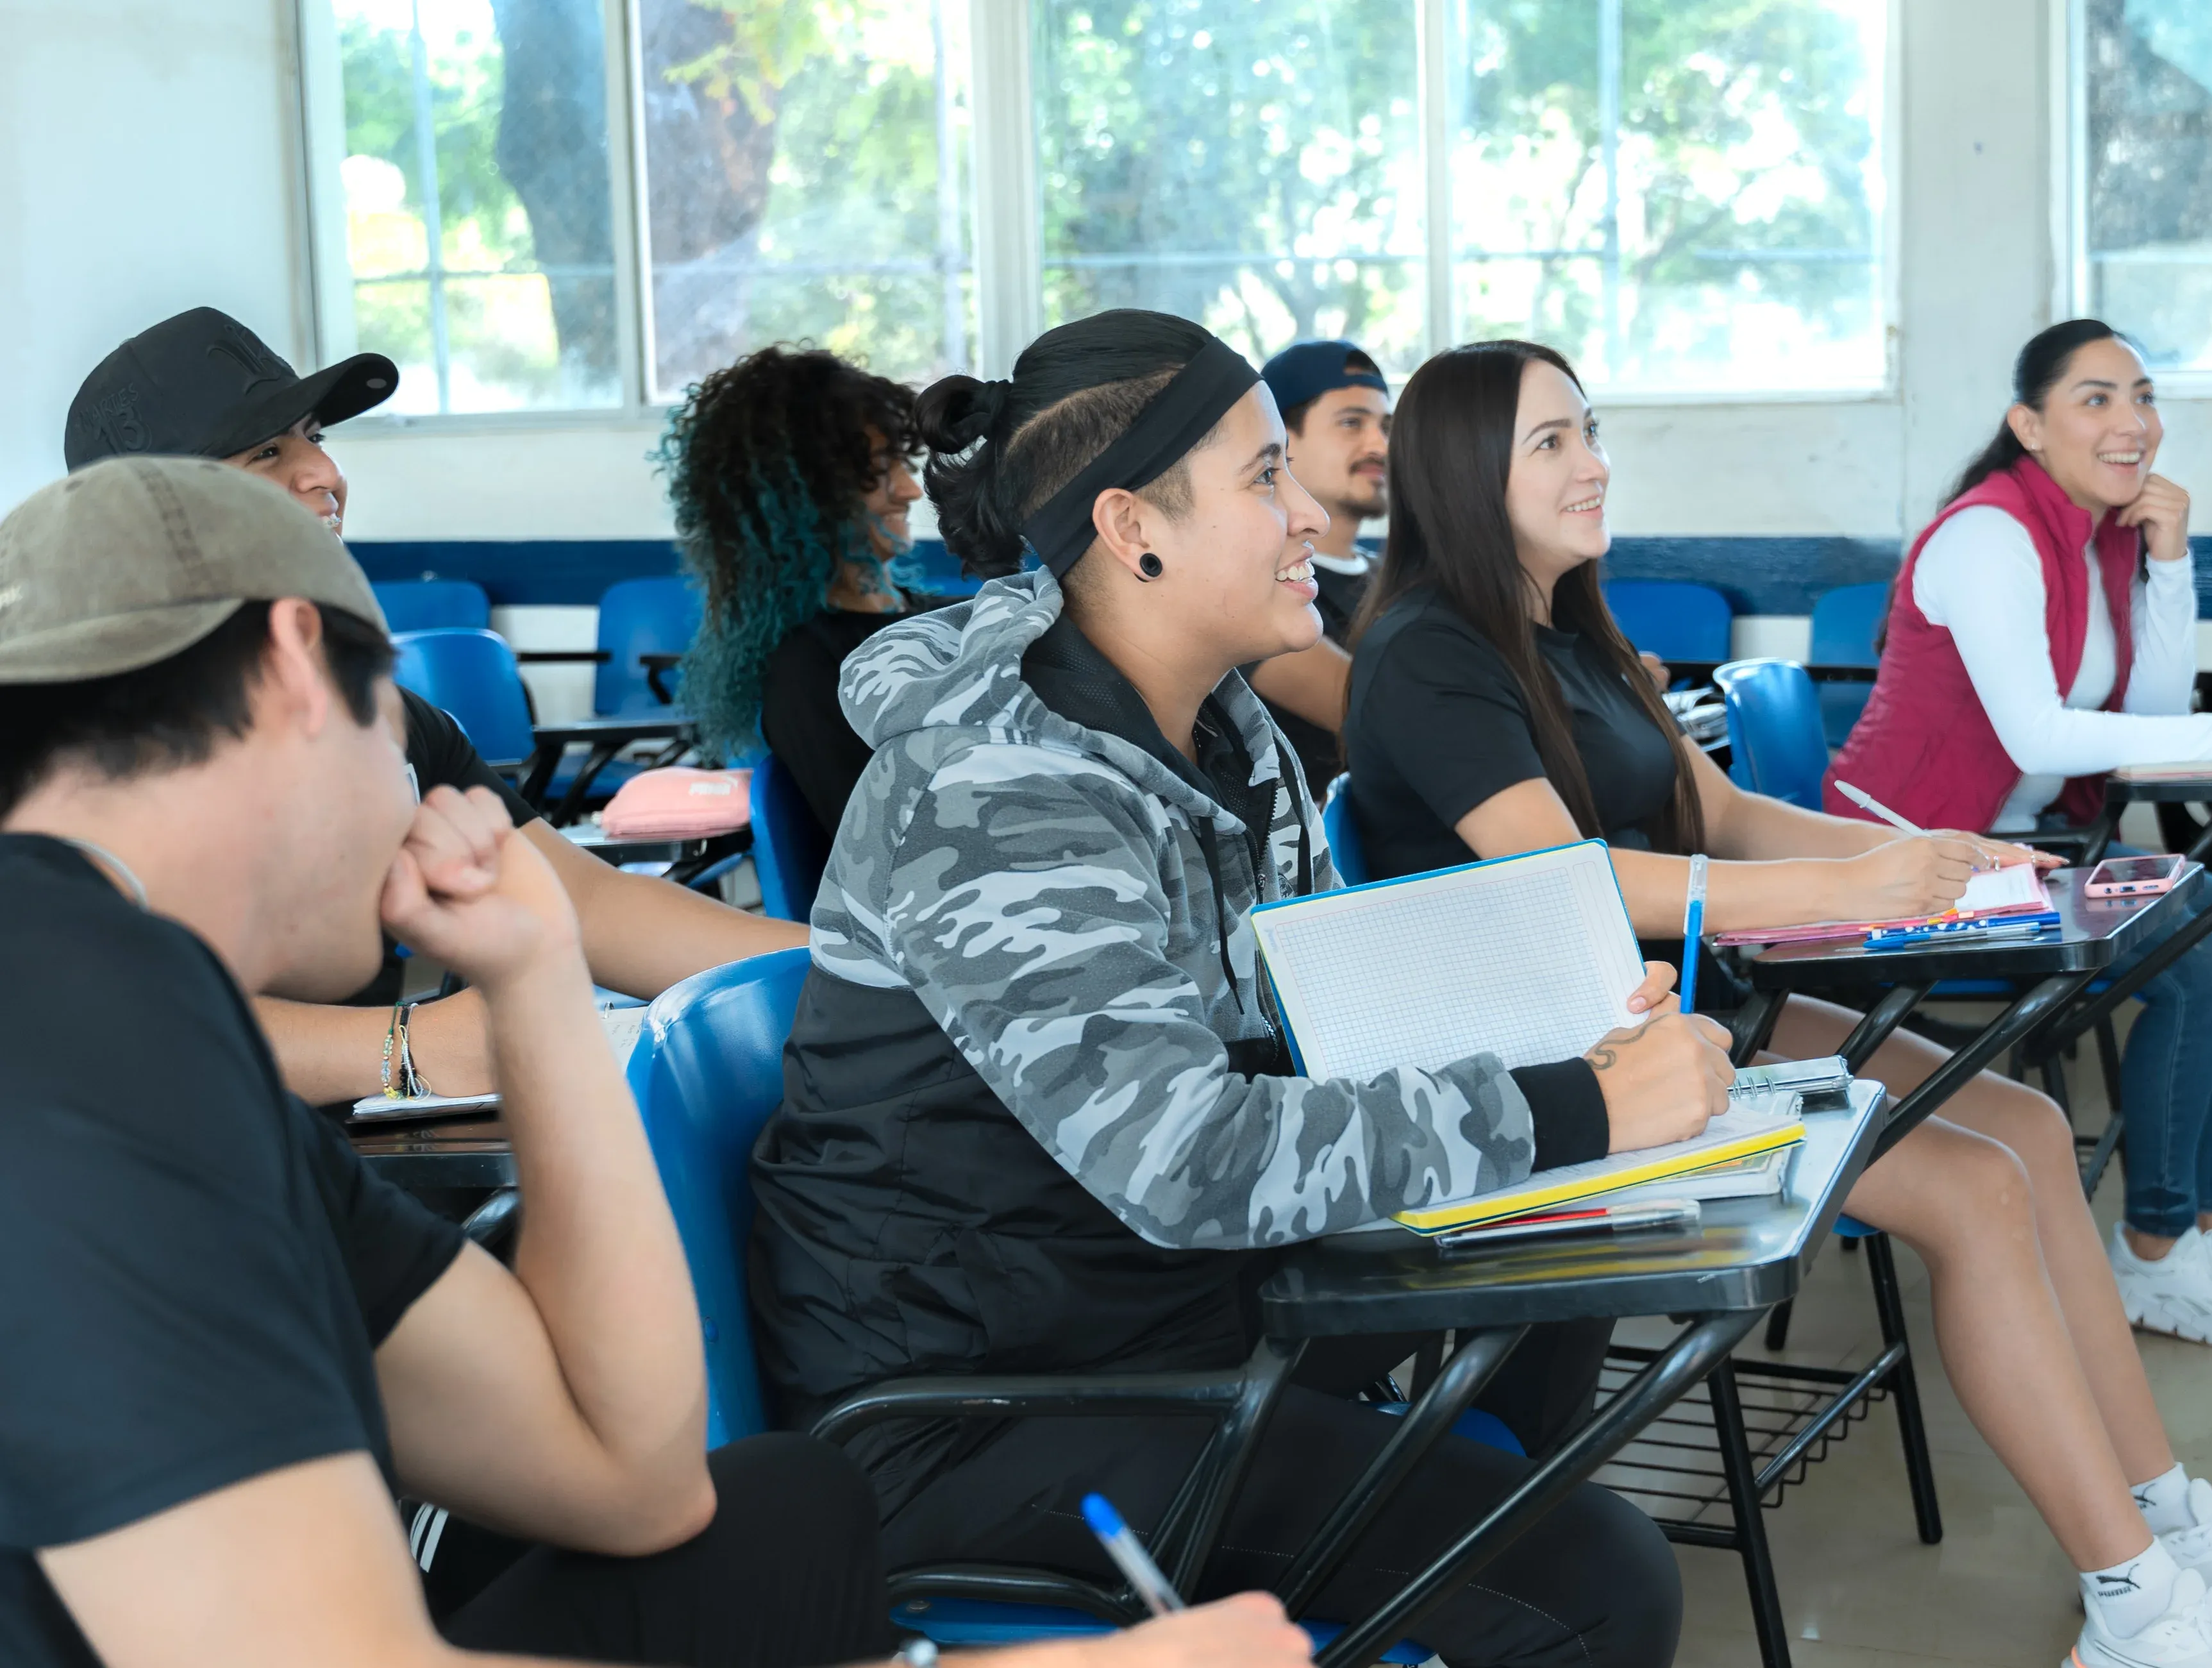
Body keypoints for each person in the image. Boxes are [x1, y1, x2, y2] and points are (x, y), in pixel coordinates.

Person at [0, 457, 1313, 1668]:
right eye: (391, 715)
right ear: (299, 663)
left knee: (771, 1520)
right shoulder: (84, 1006)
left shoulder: (116, 989)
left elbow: (630, 1475)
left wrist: (534, 986)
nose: (415, 779)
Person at [1340, 340, 2212, 1668]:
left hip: (1690, 1015)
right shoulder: (1428, 653)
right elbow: (1570, 885)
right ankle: (2132, 1599)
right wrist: (1877, 874)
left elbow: (1730, 815)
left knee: (2033, 1137)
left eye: (1590, 431)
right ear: (1459, 470)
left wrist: (1941, 852)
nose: (1594, 464)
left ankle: (2166, 1524)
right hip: (1577, 1066)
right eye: (1552, 442)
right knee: (1975, 1188)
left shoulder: (1572, 628)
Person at [750, 309, 1738, 1668]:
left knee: (1545, 1298)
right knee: (1596, 1577)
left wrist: (1553, 1033)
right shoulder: (999, 786)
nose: (1314, 523)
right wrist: (1574, 1106)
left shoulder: (1223, 731)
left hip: (1149, 1303)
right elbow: (1187, 1157)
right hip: (982, 1406)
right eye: (1265, 478)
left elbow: (1304, 1029)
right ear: (1129, 525)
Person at [64, 307, 805, 1104]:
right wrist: (405, 1049)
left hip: (339, 1171)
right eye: (268, 451)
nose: (323, 471)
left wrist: (852, 968)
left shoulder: (382, 721)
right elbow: (99, 1018)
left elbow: (584, 902)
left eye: (315, 435)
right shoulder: (80, 750)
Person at [1825, 319, 2212, 1347]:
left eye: (2143, 396)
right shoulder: (1989, 533)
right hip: (1911, 857)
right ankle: (2153, 1253)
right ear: (2027, 425)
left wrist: (2168, 566)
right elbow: (2038, 728)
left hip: (2023, 845)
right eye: (2096, 398)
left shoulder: (2093, 535)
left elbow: (2143, 722)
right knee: (2199, 965)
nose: (2133, 423)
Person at [664, 344, 940, 843]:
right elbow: (893, 848)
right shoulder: (807, 669)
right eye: (877, 470)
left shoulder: (944, 619)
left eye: (901, 461)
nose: (910, 490)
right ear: (805, 498)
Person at [1245, 339, 1391, 788]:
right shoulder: (1254, 586)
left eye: (1386, 427)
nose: (1379, 445)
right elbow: (1394, 721)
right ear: (1281, 441)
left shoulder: (1396, 576)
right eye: (1352, 423)